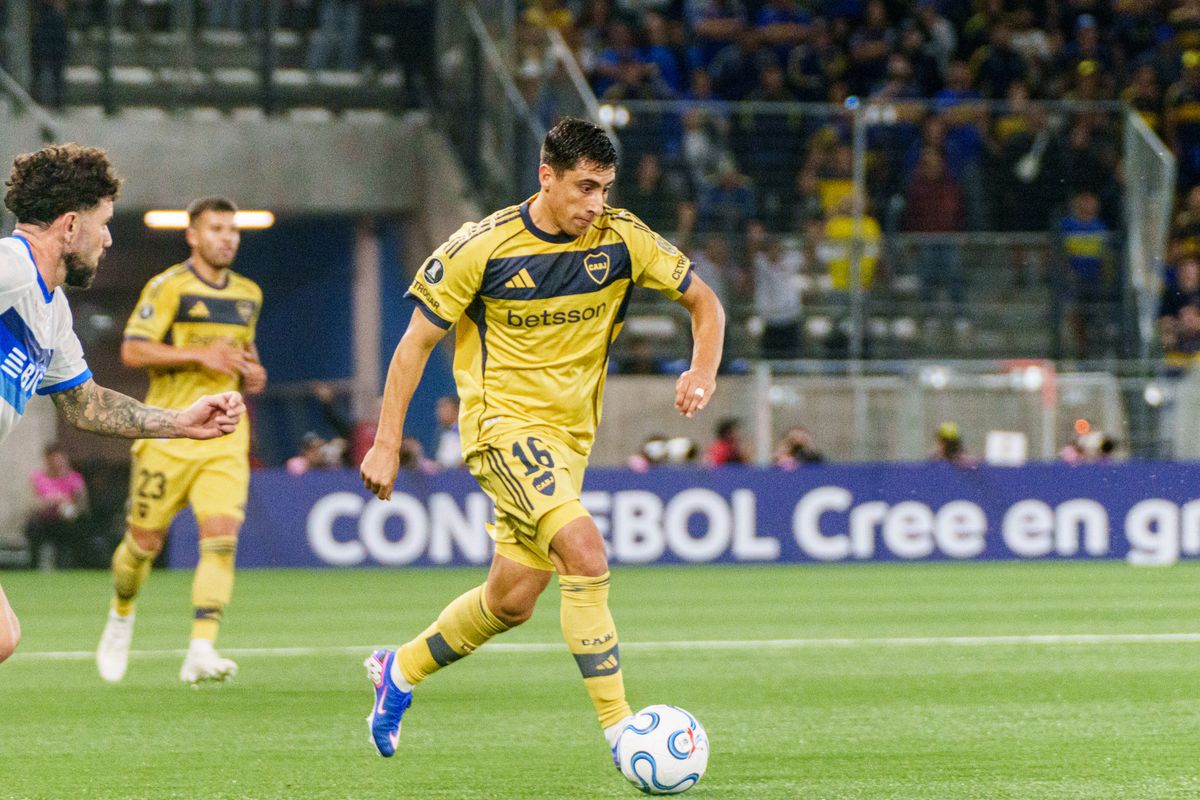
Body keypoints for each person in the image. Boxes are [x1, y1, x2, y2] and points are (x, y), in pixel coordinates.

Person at [358, 118, 725, 763]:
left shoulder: (622, 239)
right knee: (585, 552)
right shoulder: (482, 247)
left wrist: (701, 370)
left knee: (511, 600)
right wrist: (387, 442)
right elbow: (415, 344)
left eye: (605, 189)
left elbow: (706, 303)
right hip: (500, 429)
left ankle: (401, 671)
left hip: (568, 444)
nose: (596, 204)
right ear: (546, 176)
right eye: (584, 187)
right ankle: (623, 734)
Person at [0, 144, 245, 666]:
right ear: (70, 226)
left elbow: (85, 404)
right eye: (103, 222)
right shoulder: (13, 268)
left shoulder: (52, 308)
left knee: (3, 637)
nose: (108, 238)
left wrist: (179, 422)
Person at [95, 196, 266, 687]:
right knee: (143, 545)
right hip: (169, 431)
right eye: (216, 229)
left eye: (232, 229)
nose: (227, 238)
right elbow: (132, 349)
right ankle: (122, 614)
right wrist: (198, 358)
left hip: (225, 435)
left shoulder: (249, 293)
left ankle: (200, 650)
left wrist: (253, 373)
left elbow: (244, 355)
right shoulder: (168, 286)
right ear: (192, 235)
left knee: (221, 541)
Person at [25, 442, 89, 569]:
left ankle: (67, 565)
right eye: (53, 459)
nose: (57, 463)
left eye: (60, 459)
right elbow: (30, 504)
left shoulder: (75, 479)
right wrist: (49, 501)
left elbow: (83, 506)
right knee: (33, 526)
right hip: (43, 521)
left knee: (73, 528)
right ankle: (34, 565)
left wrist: (70, 506)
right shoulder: (38, 478)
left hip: (65, 522)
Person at [434, 395, 463, 469]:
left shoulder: (468, 432)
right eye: (438, 408)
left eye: (444, 408)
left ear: (456, 410)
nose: (439, 412)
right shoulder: (441, 433)